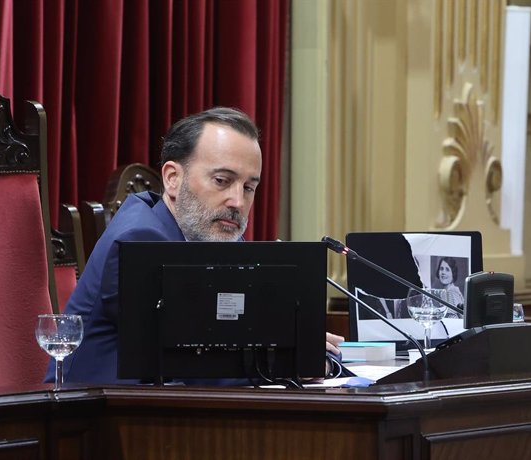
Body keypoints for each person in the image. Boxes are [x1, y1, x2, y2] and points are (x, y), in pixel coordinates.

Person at [46, 107, 344, 385]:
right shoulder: (140, 240)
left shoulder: (212, 234)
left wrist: (298, 346)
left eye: (249, 187)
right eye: (222, 180)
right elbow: (196, 363)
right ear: (173, 179)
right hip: (95, 421)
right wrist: (294, 359)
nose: (238, 202)